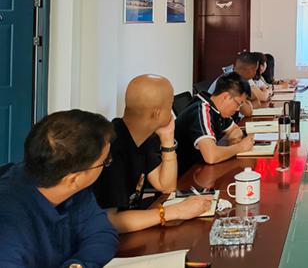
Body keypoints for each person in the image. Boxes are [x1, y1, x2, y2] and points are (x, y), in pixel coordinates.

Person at [92, 75, 213, 233]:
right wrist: (175, 211)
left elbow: (166, 186)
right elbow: (110, 221)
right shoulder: (111, 147)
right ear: (157, 113)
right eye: (170, 104)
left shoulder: (144, 137)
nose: (172, 111)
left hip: (135, 224)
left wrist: (167, 139)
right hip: (107, 238)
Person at [0, 110, 118, 267]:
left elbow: (102, 233)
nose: (107, 164)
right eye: (105, 161)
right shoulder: (9, 229)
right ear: (74, 179)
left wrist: (79, 264)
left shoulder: (73, 188)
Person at [176, 72, 255, 174]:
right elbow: (211, 156)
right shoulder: (202, 110)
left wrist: (233, 143)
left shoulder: (217, 108)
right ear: (226, 97)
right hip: (184, 175)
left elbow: (235, 130)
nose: (238, 109)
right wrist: (240, 147)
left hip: (200, 168)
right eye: (238, 104)